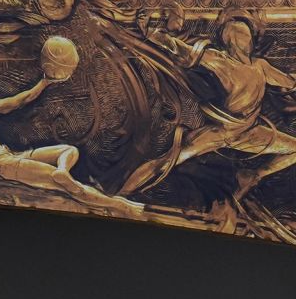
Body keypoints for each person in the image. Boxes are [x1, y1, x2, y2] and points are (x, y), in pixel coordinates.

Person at [0, 58, 144, 217]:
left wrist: (44, 82)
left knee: (69, 151)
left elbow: (20, 100)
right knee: (67, 186)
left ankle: (63, 171)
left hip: (11, 155)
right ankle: (119, 207)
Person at [120, 14, 296, 200]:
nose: (240, 40)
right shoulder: (219, 60)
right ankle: (121, 194)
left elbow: (290, 82)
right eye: (235, 35)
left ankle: (252, 175)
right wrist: (152, 34)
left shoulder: (260, 66)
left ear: (250, 38)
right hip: (221, 131)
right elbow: (180, 48)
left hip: (250, 132)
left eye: (243, 35)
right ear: (227, 40)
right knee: (168, 160)